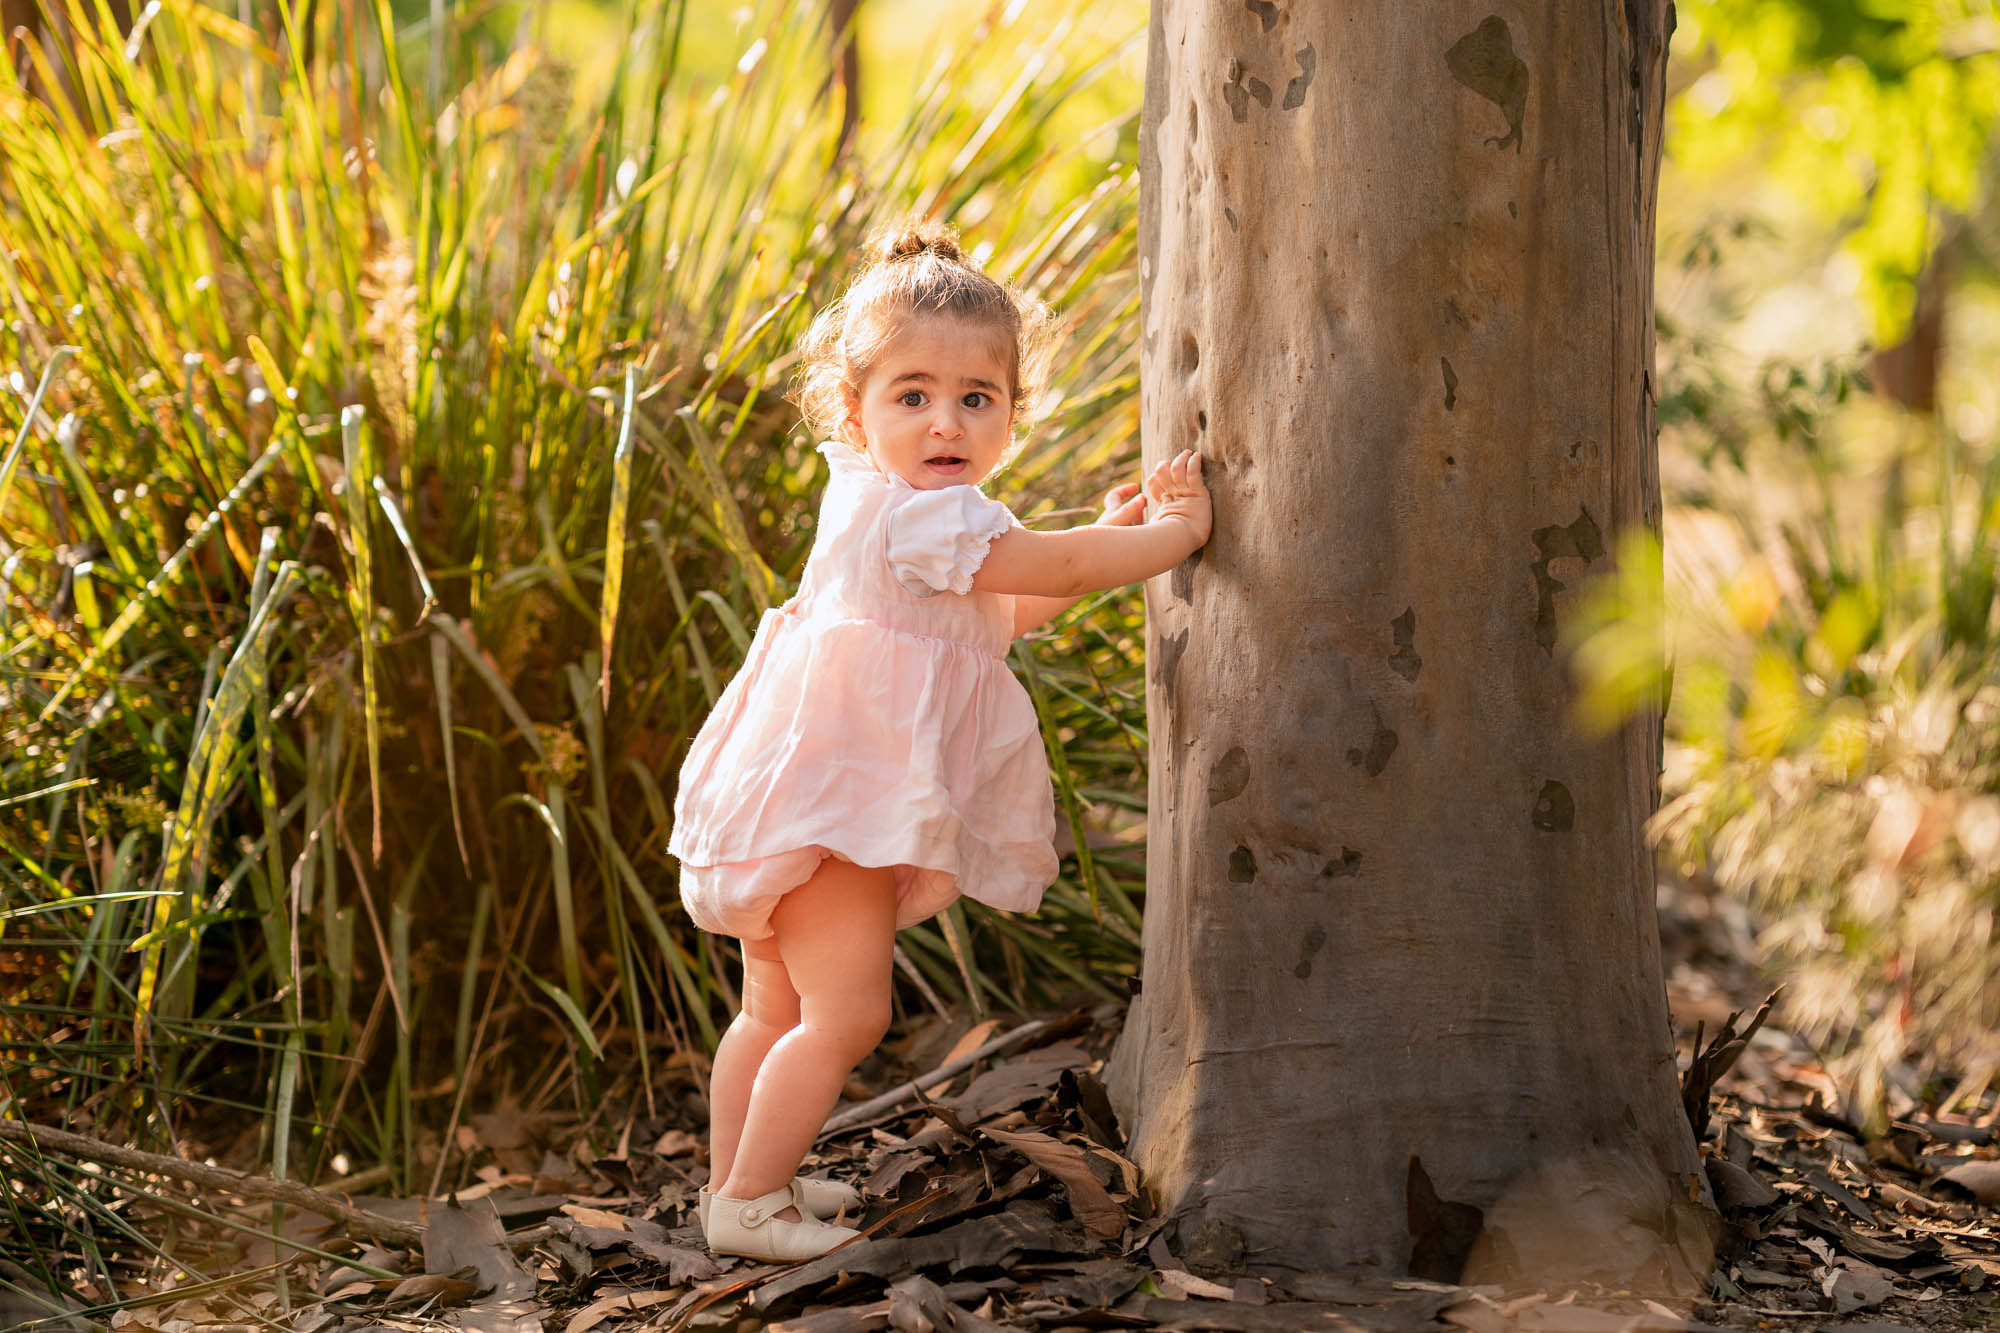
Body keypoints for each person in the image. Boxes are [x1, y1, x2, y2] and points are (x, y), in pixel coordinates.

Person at [667, 220, 1212, 1261]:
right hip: (838, 812)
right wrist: (1169, 537)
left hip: (800, 794)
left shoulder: (884, 506)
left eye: (976, 397)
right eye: (910, 395)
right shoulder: (928, 518)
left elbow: (995, 618)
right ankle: (748, 1198)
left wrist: (1102, 523)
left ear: (1012, 410)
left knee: (772, 1005)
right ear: (852, 406)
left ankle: (735, 1181)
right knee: (846, 1015)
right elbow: (1055, 569)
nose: (943, 420)